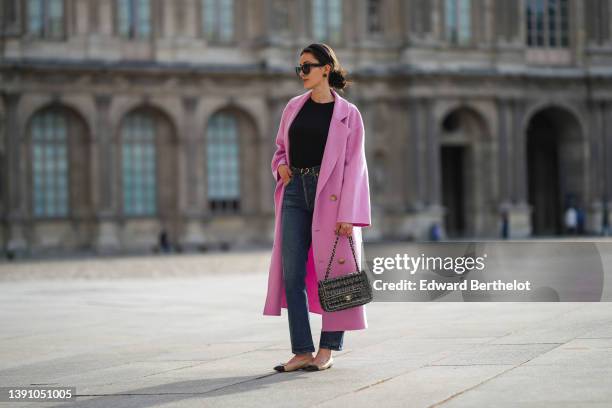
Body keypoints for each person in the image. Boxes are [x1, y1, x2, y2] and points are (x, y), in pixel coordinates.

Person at [263, 43, 372, 373]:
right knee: (292, 273)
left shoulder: (348, 114)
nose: (301, 74)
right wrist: (280, 166)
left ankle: (327, 350)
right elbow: (281, 149)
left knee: (336, 273)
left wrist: (348, 215)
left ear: (326, 68)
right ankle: (301, 351)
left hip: (332, 198)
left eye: (307, 67)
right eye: (298, 68)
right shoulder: (293, 108)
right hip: (296, 191)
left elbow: (356, 166)